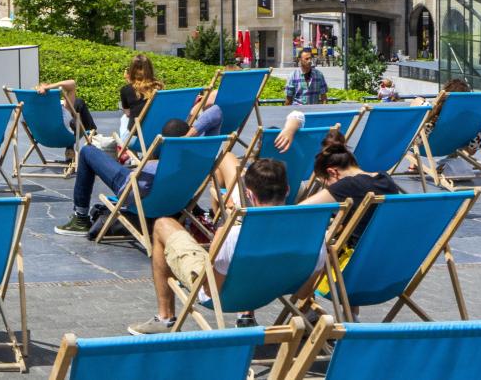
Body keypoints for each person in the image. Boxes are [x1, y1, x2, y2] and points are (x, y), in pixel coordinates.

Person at [128, 158, 320, 334]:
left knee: (163, 224)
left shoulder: (234, 235)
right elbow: (303, 292)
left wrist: (221, 235)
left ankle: (165, 317)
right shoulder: (314, 237)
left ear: (248, 194)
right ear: (287, 189)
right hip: (269, 292)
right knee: (250, 257)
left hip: (226, 297)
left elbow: (212, 292)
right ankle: (247, 315)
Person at [55, 118, 191, 236]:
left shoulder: (156, 167)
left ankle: (81, 219)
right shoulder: (197, 164)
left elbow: (141, 179)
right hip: (173, 205)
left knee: (87, 152)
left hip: (134, 192)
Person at [301, 131, 403, 245]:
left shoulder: (348, 185)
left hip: (353, 257)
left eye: (326, 182)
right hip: (388, 248)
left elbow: (297, 211)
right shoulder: (385, 178)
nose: (329, 187)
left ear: (333, 172)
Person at [118, 54, 164, 140]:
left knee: (124, 118)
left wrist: (129, 82)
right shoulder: (159, 88)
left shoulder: (126, 90)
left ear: (131, 71)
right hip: (159, 135)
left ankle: (129, 152)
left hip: (137, 137)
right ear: (150, 70)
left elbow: (127, 113)